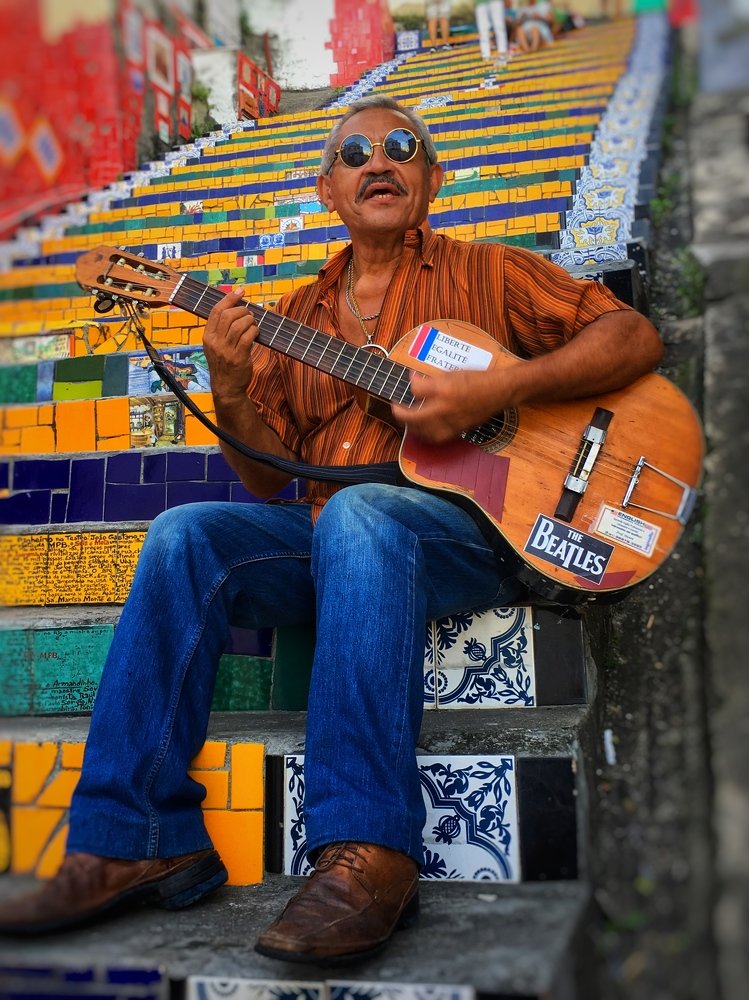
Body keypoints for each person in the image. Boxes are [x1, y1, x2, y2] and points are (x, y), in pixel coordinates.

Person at [0, 95, 663, 962]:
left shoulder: (489, 272)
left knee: (361, 511)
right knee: (183, 533)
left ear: (432, 178)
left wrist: (499, 388)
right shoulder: (295, 315)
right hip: (330, 540)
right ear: (326, 190)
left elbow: (631, 336)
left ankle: (368, 848)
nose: (377, 161)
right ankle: (135, 837)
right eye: (354, 153)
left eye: (400, 146)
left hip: (479, 530)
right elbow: (266, 476)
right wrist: (230, 383)